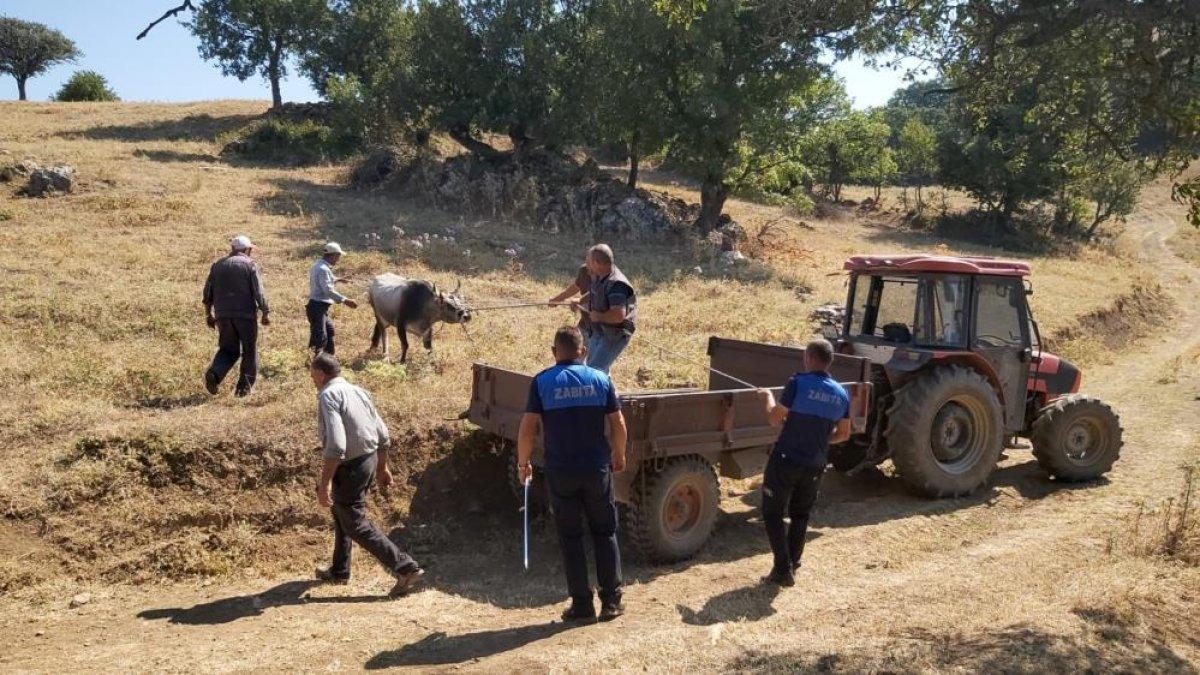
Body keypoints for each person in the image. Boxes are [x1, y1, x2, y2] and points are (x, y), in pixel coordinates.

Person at [518, 326, 628, 622]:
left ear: (554, 352)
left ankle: (582, 605)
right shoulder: (601, 379)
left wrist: (523, 464)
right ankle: (611, 602)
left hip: (561, 472)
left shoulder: (542, 382)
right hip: (596, 470)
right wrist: (619, 454)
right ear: (584, 352)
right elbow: (618, 422)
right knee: (605, 532)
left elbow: (527, 429)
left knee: (570, 537)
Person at [310, 353, 424, 598]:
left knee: (355, 523)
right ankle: (340, 570)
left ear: (320, 373)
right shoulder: (358, 391)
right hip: (368, 460)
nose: (312, 380)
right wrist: (382, 467)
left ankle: (405, 567)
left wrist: (325, 482)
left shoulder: (328, 395)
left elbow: (336, 445)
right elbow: (382, 433)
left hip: (350, 466)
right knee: (341, 512)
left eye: (312, 375)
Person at [756, 339, 851, 587]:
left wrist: (767, 397)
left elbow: (774, 419)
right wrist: (819, 439)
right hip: (816, 463)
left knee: (772, 512)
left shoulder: (797, 382)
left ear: (809, 358)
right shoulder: (841, 393)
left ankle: (782, 569)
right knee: (800, 514)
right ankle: (793, 563)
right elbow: (843, 434)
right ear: (829, 361)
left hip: (786, 460)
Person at [202, 235, 270, 397]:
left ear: (233, 248)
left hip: (222, 315)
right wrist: (265, 312)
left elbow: (207, 294)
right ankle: (243, 390)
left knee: (228, 349)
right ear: (246, 250)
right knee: (249, 351)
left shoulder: (217, 265)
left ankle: (214, 374)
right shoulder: (250, 265)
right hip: (245, 316)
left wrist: (208, 315)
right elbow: (258, 292)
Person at [579, 244, 637, 374]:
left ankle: (603, 387)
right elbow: (597, 292)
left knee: (595, 371)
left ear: (597, 263)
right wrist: (580, 300)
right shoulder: (600, 275)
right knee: (594, 367)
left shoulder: (617, 285)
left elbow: (618, 315)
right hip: (600, 330)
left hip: (615, 334)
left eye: (589, 261)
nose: (586, 264)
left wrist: (599, 316)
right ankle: (606, 387)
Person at [307, 242, 358, 356]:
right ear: (333, 255)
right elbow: (328, 290)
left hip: (318, 307)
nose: (338, 260)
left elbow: (324, 280)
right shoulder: (323, 269)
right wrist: (345, 300)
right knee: (320, 337)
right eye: (338, 256)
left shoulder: (318, 265)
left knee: (329, 331)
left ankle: (329, 357)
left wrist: (339, 279)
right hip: (317, 307)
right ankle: (317, 361)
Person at [548, 253, 594, 336]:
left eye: (591, 265)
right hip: (586, 323)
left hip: (603, 328)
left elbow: (597, 295)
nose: (588, 268)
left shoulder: (608, 279)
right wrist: (556, 300)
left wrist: (580, 302)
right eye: (587, 262)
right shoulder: (584, 270)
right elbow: (574, 288)